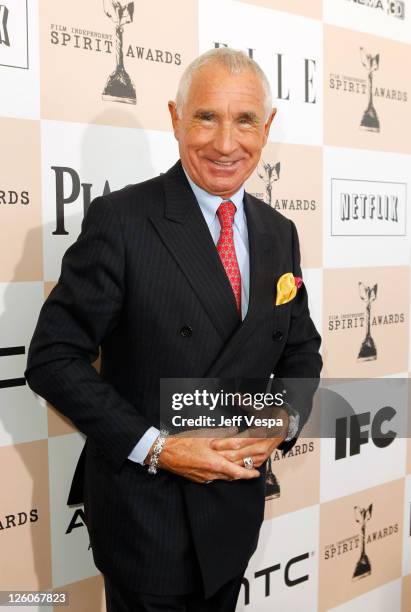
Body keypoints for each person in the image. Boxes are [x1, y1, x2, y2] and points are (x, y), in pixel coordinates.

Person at [25, 48, 322, 612]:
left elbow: (301, 348)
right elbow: (53, 359)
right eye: (206, 117)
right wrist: (158, 449)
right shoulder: (122, 220)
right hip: (147, 520)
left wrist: (280, 420)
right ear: (175, 118)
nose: (226, 144)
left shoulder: (278, 232)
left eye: (244, 121)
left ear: (268, 127)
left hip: (234, 513)